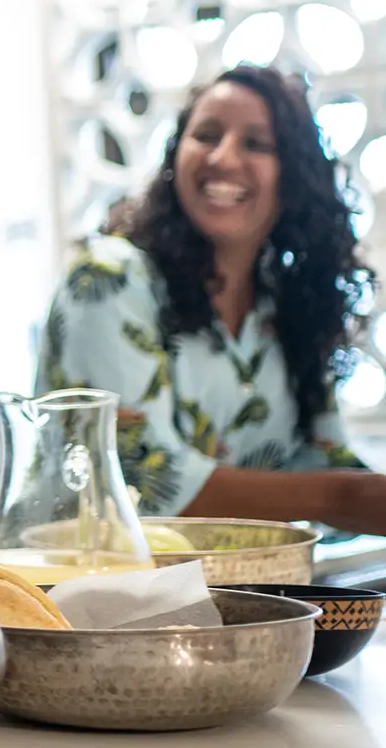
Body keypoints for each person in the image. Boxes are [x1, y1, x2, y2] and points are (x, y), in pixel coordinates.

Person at [31, 64, 386, 533]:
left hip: (219, 596)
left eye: (256, 144)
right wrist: (342, 496)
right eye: (206, 135)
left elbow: (318, 458)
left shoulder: (283, 301)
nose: (223, 157)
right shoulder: (107, 279)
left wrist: (355, 493)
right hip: (45, 589)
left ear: (296, 178)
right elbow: (142, 479)